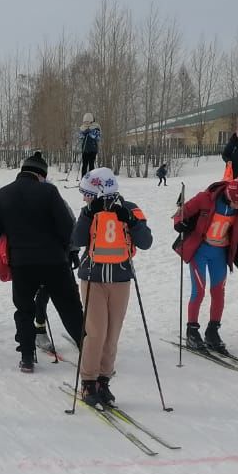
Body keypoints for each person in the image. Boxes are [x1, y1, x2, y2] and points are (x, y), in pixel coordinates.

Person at [0, 150, 84, 372]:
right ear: (41, 174)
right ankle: (86, 349)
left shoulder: (2, 194)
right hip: (54, 262)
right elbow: (69, 228)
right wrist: (65, 249)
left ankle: (28, 357)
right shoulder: (49, 192)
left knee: (24, 309)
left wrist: (14, 244)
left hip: (21, 263)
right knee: (69, 307)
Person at [71, 167, 153, 408]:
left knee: (112, 334)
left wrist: (130, 220)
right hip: (92, 278)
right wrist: (87, 214)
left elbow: (146, 242)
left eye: (88, 194)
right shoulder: (89, 211)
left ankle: (103, 381)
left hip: (120, 278)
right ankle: (88, 381)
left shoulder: (130, 208)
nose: (85, 198)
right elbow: (76, 241)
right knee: (96, 332)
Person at [173, 171, 238, 353]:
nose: (237, 206)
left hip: (220, 253)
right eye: (235, 202)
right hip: (200, 250)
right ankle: (192, 331)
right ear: (228, 194)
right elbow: (182, 212)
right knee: (199, 291)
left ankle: (213, 330)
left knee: (218, 292)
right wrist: (180, 223)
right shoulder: (206, 198)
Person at [78, 113, 101, 179]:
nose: (86, 123)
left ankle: (91, 179)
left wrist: (90, 132)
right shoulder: (83, 127)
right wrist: (83, 133)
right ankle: (83, 179)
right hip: (85, 149)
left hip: (92, 149)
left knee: (91, 165)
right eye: (85, 122)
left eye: (87, 122)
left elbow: (97, 137)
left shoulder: (96, 127)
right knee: (84, 165)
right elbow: (80, 136)